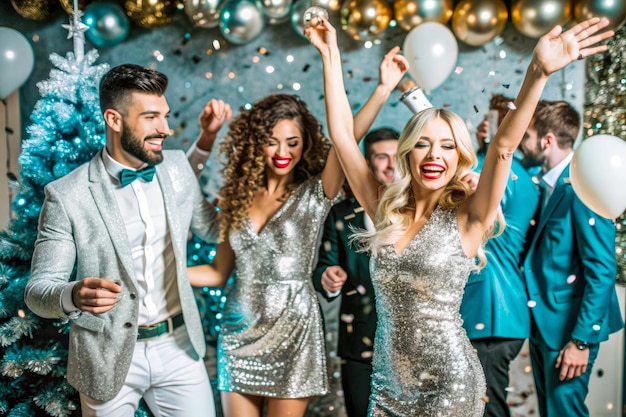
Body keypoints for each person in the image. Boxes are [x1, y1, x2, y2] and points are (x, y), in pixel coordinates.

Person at [306, 16, 614, 417]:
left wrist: (537, 72)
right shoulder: (384, 211)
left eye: (447, 147)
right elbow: (344, 136)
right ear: (408, 153)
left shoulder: (470, 217)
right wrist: (330, 53)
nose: (434, 155)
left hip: (448, 383)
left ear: (459, 158)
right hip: (387, 385)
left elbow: (503, 146)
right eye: (424, 144)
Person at [186, 49, 408, 417]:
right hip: (238, 335)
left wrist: (383, 89)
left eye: (293, 142)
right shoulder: (237, 197)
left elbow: (346, 138)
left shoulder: (315, 193)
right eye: (272, 141)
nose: (282, 152)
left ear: (304, 144)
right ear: (257, 142)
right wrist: (155, 275)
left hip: (294, 333)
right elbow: (216, 273)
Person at [23, 64, 229, 417]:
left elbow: (211, 229)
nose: (165, 128)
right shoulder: (66, 195)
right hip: (105, 353)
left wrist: (254, 196)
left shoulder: (176, 166)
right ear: (114, 120)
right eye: (151, 117)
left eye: (164, 116)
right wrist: (72, 294)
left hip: (179, 348)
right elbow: (37, 291)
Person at [520, 99, 624, 417]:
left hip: (569, 329)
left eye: (526, 137)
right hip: (544, 323)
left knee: (565, 412)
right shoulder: (546, 184)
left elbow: (603, 270)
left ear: (546, 140)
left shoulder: (584, 183)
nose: (522, 146)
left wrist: (580, 341)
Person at [459, 94, 540, 417]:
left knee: (486, 409)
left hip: (490, 309)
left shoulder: (499, 174)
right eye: (487, 120)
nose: (486, 126)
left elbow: (467, 190)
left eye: (495, 121)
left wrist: (481, 152)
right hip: (503, 309)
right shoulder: (523, 177)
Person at [313, 127, 399, 417]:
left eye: (399, 156)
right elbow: (323, 265)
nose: (391, 165)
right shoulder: (341, 214)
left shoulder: (421, 209)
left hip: (410, 344)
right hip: (359, 342)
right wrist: (328, 277)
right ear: (367, 162)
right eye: (382, 157)